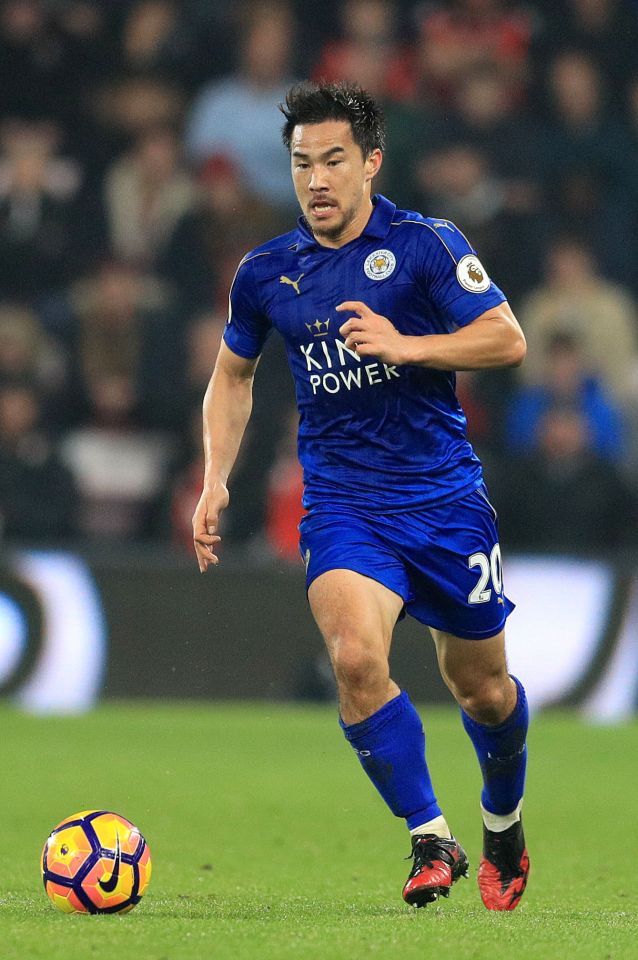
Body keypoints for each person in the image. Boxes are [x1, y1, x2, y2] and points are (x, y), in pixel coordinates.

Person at [192, 81, 529, 912]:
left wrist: (410, 345)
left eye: (334, 160)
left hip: (445, 500)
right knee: (354, 657)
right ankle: (430, 835)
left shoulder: (424, 245)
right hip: (345, 504)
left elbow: (506, 337)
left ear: (371, 162)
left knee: (483, 690)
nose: (316, 180)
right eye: (302, 163)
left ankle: (503, 824)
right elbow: (233, 375)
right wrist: (215, 478)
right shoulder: (268, 270)